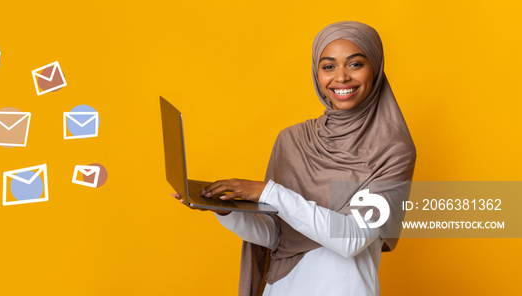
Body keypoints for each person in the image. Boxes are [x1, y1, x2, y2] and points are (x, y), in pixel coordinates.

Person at [173, 21, 416, 295]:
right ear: (317, 73)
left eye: (355, 64)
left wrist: (268, 192)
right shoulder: (292, 140)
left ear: (376, 68)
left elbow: (352, 239)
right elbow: (276, 235)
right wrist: (225, 210)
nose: (341, 77)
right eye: (328, 66)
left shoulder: (393, 149)